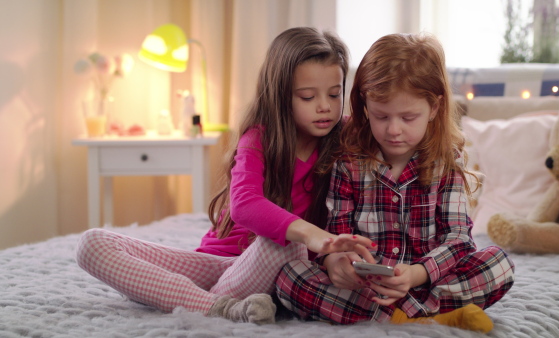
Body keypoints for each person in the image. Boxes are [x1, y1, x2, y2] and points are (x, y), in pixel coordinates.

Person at [76, 27, 376, 325]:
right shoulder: (259, 137)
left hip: (269, 266)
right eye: (308, 96)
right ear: (281, 96)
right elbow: (244, 204)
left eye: (334, 94)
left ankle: (189, 300)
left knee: (285, 243)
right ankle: (215, 304)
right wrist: (314, 234)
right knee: (93, 244)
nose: (324, 106)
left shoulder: (347, 138)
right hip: (214, 262)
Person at [275, 33, 515, 333]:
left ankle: (394, 316)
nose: (393, 130)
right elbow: (338, 233)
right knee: (289, 276)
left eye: (408, 117)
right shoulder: (348, 162)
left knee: (498, 264)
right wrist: (336, 260)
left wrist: (416, 274)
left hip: (427, 279)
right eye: (381, 116)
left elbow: (458, 240)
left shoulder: (446, 160)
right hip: (367, 287)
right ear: (365, 107)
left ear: (435, 109)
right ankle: (426, 318)